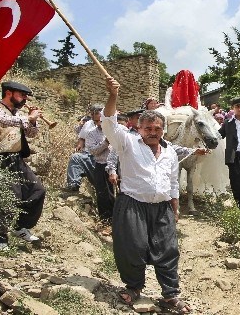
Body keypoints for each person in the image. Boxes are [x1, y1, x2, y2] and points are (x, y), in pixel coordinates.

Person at [101, 76, 192, 314]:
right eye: (148, 128)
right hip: (132, 204)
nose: (152, 132)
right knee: (133, 247)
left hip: (162, 207)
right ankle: (133, 288)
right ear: (138, 128)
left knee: (168, 249)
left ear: (163, 130)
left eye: (157, 129)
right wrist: (113, 95)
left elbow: (173, 182)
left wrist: (175, 208)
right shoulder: (126, 143)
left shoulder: (170, 152)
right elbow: (109, 122)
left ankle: (170, 295)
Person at [0, 81, 45, 250]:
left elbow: (32, 134)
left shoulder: (18, 114)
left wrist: (33, 121)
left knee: (37, 190)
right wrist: (27, 118)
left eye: (25, 96)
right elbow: (3, 122)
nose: (25, 98)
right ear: (8, 93)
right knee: (7, 197)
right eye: (21, 95)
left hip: (16, 158)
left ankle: (20, 227)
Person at [63, 104, 104, 192]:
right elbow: (82, 138)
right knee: (76, 157)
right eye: (92, 113)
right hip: (88, 154)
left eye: (96, 112)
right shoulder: (88, 124)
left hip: (102, 157)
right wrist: (79, 146)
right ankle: (73, 184)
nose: (93, 114)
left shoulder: (108, 125)